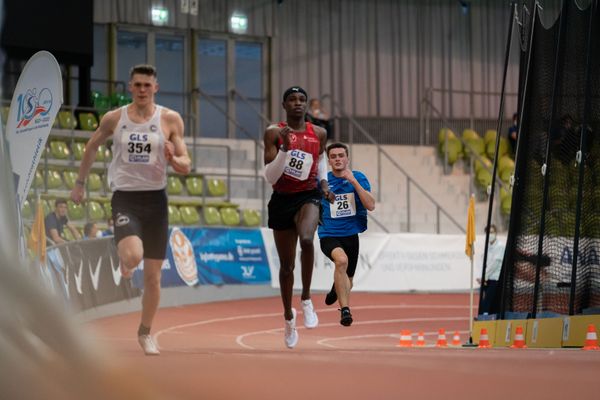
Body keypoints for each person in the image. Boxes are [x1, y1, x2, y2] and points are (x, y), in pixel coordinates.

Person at [70, 64, 191, 356]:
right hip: (125, 197)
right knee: (133, 254)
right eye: (137, 85)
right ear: (130, 87)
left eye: (147, 86)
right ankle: (126, 258)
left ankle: (145, 332)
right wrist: (80, 183)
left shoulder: (170, 119)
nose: (141, 90)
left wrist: (174, 160)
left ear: (155, 88)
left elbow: (187, 164)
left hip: (156, 202)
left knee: (153, 278)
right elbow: (91, 147)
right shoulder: (115, 118)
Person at [263, 86, 331, 348]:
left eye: (302, 99)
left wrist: (324, 185)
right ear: (284, 105)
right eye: (292, 100)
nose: (298, 103)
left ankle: (305, 299)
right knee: (287, 267)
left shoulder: (319, 133)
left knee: (306, 240)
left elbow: (321, 160)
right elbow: (269, 176)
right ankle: (289, 318)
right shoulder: (273, 133)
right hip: (282, 199)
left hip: (308, 195)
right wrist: (284, 150)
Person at [318, 143, 375, 326]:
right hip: (328, 233)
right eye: (333, 156)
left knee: (348, 282)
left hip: (351, 235)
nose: (337, 159)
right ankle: (345, 311)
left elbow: (371, 205)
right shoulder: (323, 182)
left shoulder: (358, 177)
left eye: (341, 155)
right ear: (329, 160)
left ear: (347, 158)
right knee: (341, 261)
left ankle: (336, 288)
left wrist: (353, 182)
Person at [477, 224, 505, 315]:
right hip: (487, 278)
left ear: (496, 233)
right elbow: (485, 262)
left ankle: (485, 318)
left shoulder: (500, 246)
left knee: (488, 302)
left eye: (492, 232)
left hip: (494, 279)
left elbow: (495, 264)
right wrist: (482, 276)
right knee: (485, 302)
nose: (490, 234)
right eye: (488, 233)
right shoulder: (488, 247)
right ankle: (485, 317)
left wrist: (485, 276)